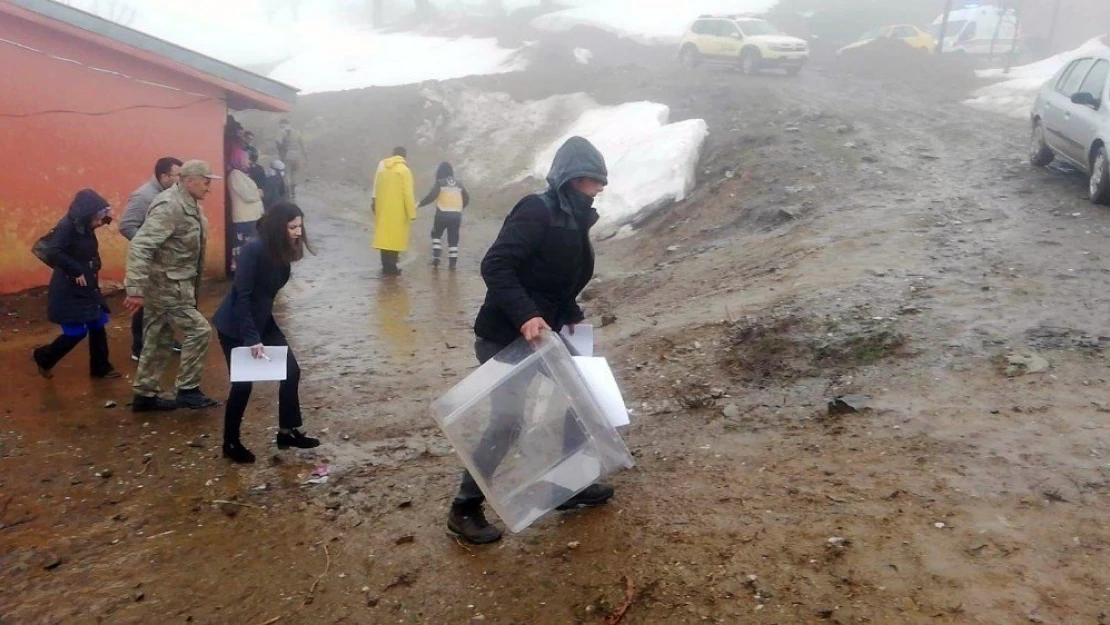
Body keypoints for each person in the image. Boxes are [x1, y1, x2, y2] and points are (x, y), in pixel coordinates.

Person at [447, 136, 613, 545]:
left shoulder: (576, 220)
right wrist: (526, 315)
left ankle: (566, 486)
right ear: (572, 180)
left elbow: (556, 285)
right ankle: (463, 509)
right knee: (508, 421)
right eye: (593, 180)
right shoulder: (537, 210)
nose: (600, 188)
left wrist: (570, 316)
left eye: (601, 181)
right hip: (505, 337)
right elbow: (496, 265)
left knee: (580, 399)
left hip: (547, 337)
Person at [212, 202, 320, 463]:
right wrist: (251, 338)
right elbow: (242, 295)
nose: (298, 232)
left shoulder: (280, 250)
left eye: (300, 226)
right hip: (236, 325)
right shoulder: (254, 249)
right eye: (292, 226)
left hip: (262, 319)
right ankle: (231, 443)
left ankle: (287, 431)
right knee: (242, 386)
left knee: (291, 371)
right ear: (278, 227)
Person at [124, 160, 222, 412]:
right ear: (190, 181)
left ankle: (144, 395)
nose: (209, 187)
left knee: (159, 338)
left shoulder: (190, 204)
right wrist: (134, 288)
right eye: (206, 181)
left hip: (176, 284)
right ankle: (187, 390)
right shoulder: (170, 206)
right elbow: (141, 245)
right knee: (199, 331)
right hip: (168, 287)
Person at [32, 190, 119, 380]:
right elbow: (53, 251)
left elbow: (86, 250)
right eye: (98, 217)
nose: (100, 222)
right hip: (69, 287)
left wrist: (94, 264)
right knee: (76, 332)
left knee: (97, 323)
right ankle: (44, 357)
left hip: (87, 284)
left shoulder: (84, 226)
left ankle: (101, 367)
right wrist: (76, 270)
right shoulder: (66, 227)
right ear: (88, 213)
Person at [119, 157, 183, 361]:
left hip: (167, 262)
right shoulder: (143, 196)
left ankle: (165, 339)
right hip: (149, 261)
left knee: (166, 301)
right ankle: (139, 347)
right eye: (177, 176)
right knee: (143, 304)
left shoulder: (172, 195)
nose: (181, 180)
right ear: (164, 176)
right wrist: (150, 245)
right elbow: (126, 225)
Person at [372, 147, 416, 277]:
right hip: (397, 211)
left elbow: (377, 190)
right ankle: (392, 267)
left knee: (385, 239)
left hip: (383, 210)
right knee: (395, 240)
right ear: (404, 157)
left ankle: (385, 266)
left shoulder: (382, 170)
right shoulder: (404, 171)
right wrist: (412, 212)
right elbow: (408, 194)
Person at [418, 161, 470, 270]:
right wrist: (460, 208)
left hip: (442, 213)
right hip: (456, 215)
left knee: (436, 235)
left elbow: (431, 196)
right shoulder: (459, 183)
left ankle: (436, 256)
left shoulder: (440, 182)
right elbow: (466, 198)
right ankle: (452, 264)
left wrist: (419, 204)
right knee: (453, 239)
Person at [228, 158, 264, 273]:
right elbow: (247, 195)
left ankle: (247, 271)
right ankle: (241, 273)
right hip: (244, 218)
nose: (249, 162)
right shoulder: (235, 175)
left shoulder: (241, 175)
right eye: (246, 159)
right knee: (243, 247)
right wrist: (259, 193)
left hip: (250, 217)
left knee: (249, 246)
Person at [276, 118, 308, 199]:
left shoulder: (281, 131)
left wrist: (281, 153)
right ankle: (293, 192)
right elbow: (303, 146)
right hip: (297, 156)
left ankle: (287, 193)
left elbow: (278, 143)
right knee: (293, 174)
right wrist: (305, 157)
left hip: (287, 156)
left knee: (286, 174)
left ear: (282, 123)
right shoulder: (297, 132)